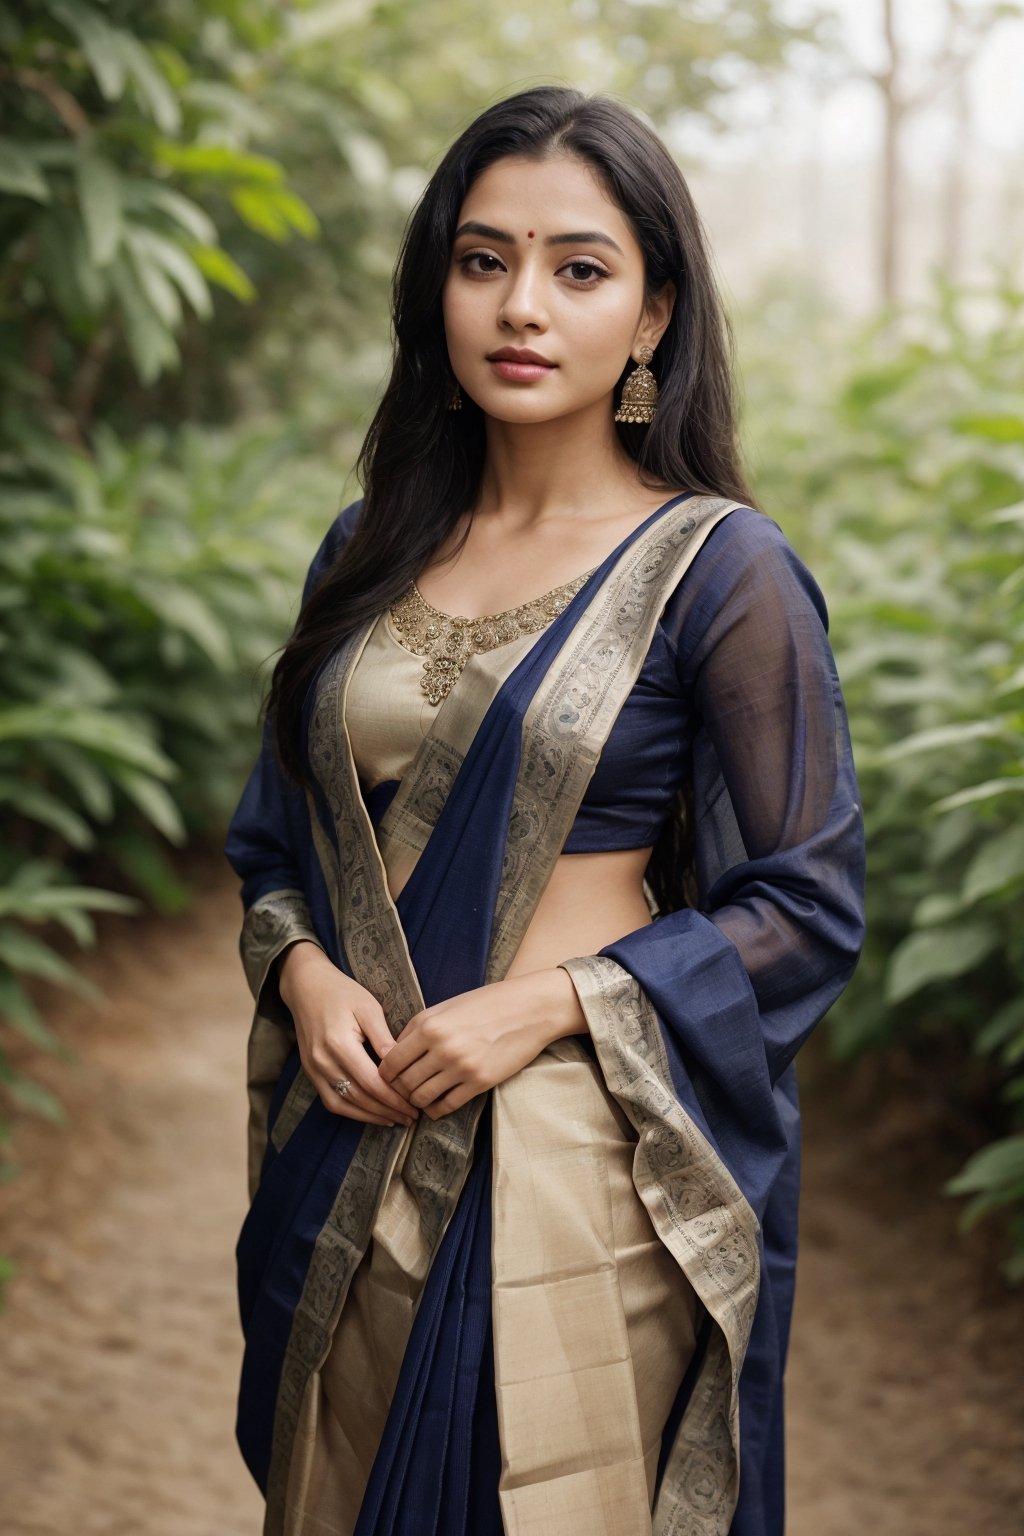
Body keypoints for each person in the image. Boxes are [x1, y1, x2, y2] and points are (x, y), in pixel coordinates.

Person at [224, 85, 865, 1536]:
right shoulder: (370, 543)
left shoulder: (721, 570)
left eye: (580, 269)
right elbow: (274, 840)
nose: (523, 306)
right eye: (482, 258)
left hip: (572, 1163)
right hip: (351, 1125)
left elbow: (806, 904)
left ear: (651, 317)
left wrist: (548, 1006)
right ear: (436, 287)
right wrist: (305, 972)